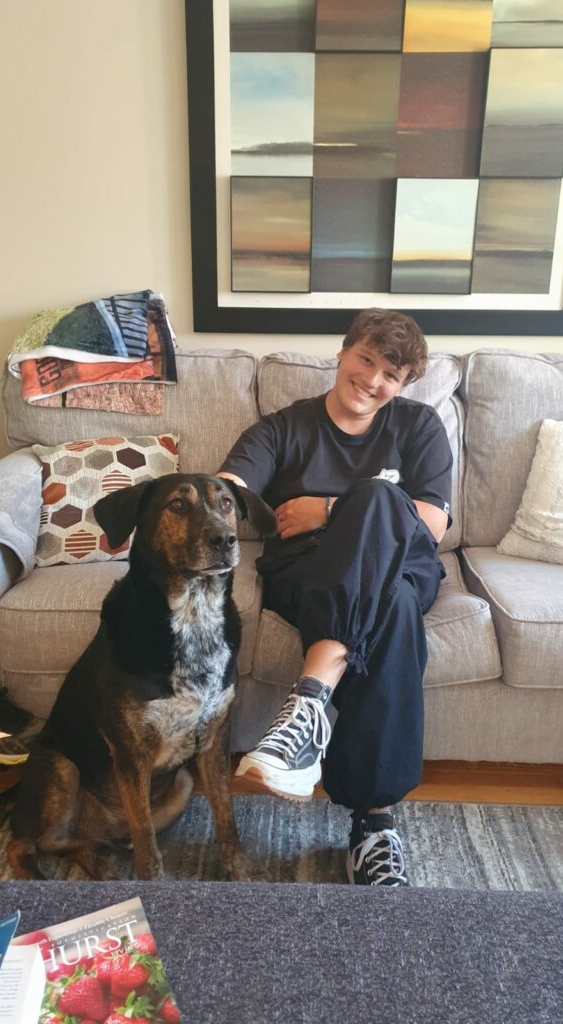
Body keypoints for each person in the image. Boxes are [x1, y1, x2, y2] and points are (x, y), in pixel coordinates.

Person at [218, 308, 452, 887]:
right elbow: (231, 488)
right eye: (366, 359)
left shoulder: (418, 426)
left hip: (402, 559)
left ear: (403, 385)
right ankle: (374, 825)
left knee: (377, 496)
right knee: (394, 607)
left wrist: (330, 507)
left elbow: (433, 524)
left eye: (390, 375)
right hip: (312, 572)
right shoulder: (284, 427)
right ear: (343, 351)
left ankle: (308, 703)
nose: (372, 380)